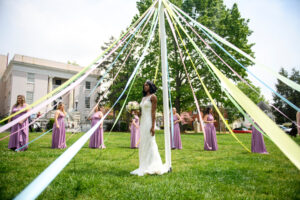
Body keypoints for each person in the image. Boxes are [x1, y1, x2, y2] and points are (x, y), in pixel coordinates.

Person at [131, 81, 169, 176]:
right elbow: (142, 113)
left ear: (151, 86)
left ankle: (153, 164)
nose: (145, 86)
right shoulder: (143, 98)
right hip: (143, 122)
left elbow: (153, 113)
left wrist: (153, 126)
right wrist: (135, 111)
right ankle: (144, 165)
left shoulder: (153, 97)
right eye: (144, 85)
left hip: (149, 122)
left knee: (150, 142)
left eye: (147, 85)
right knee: (143, 142)